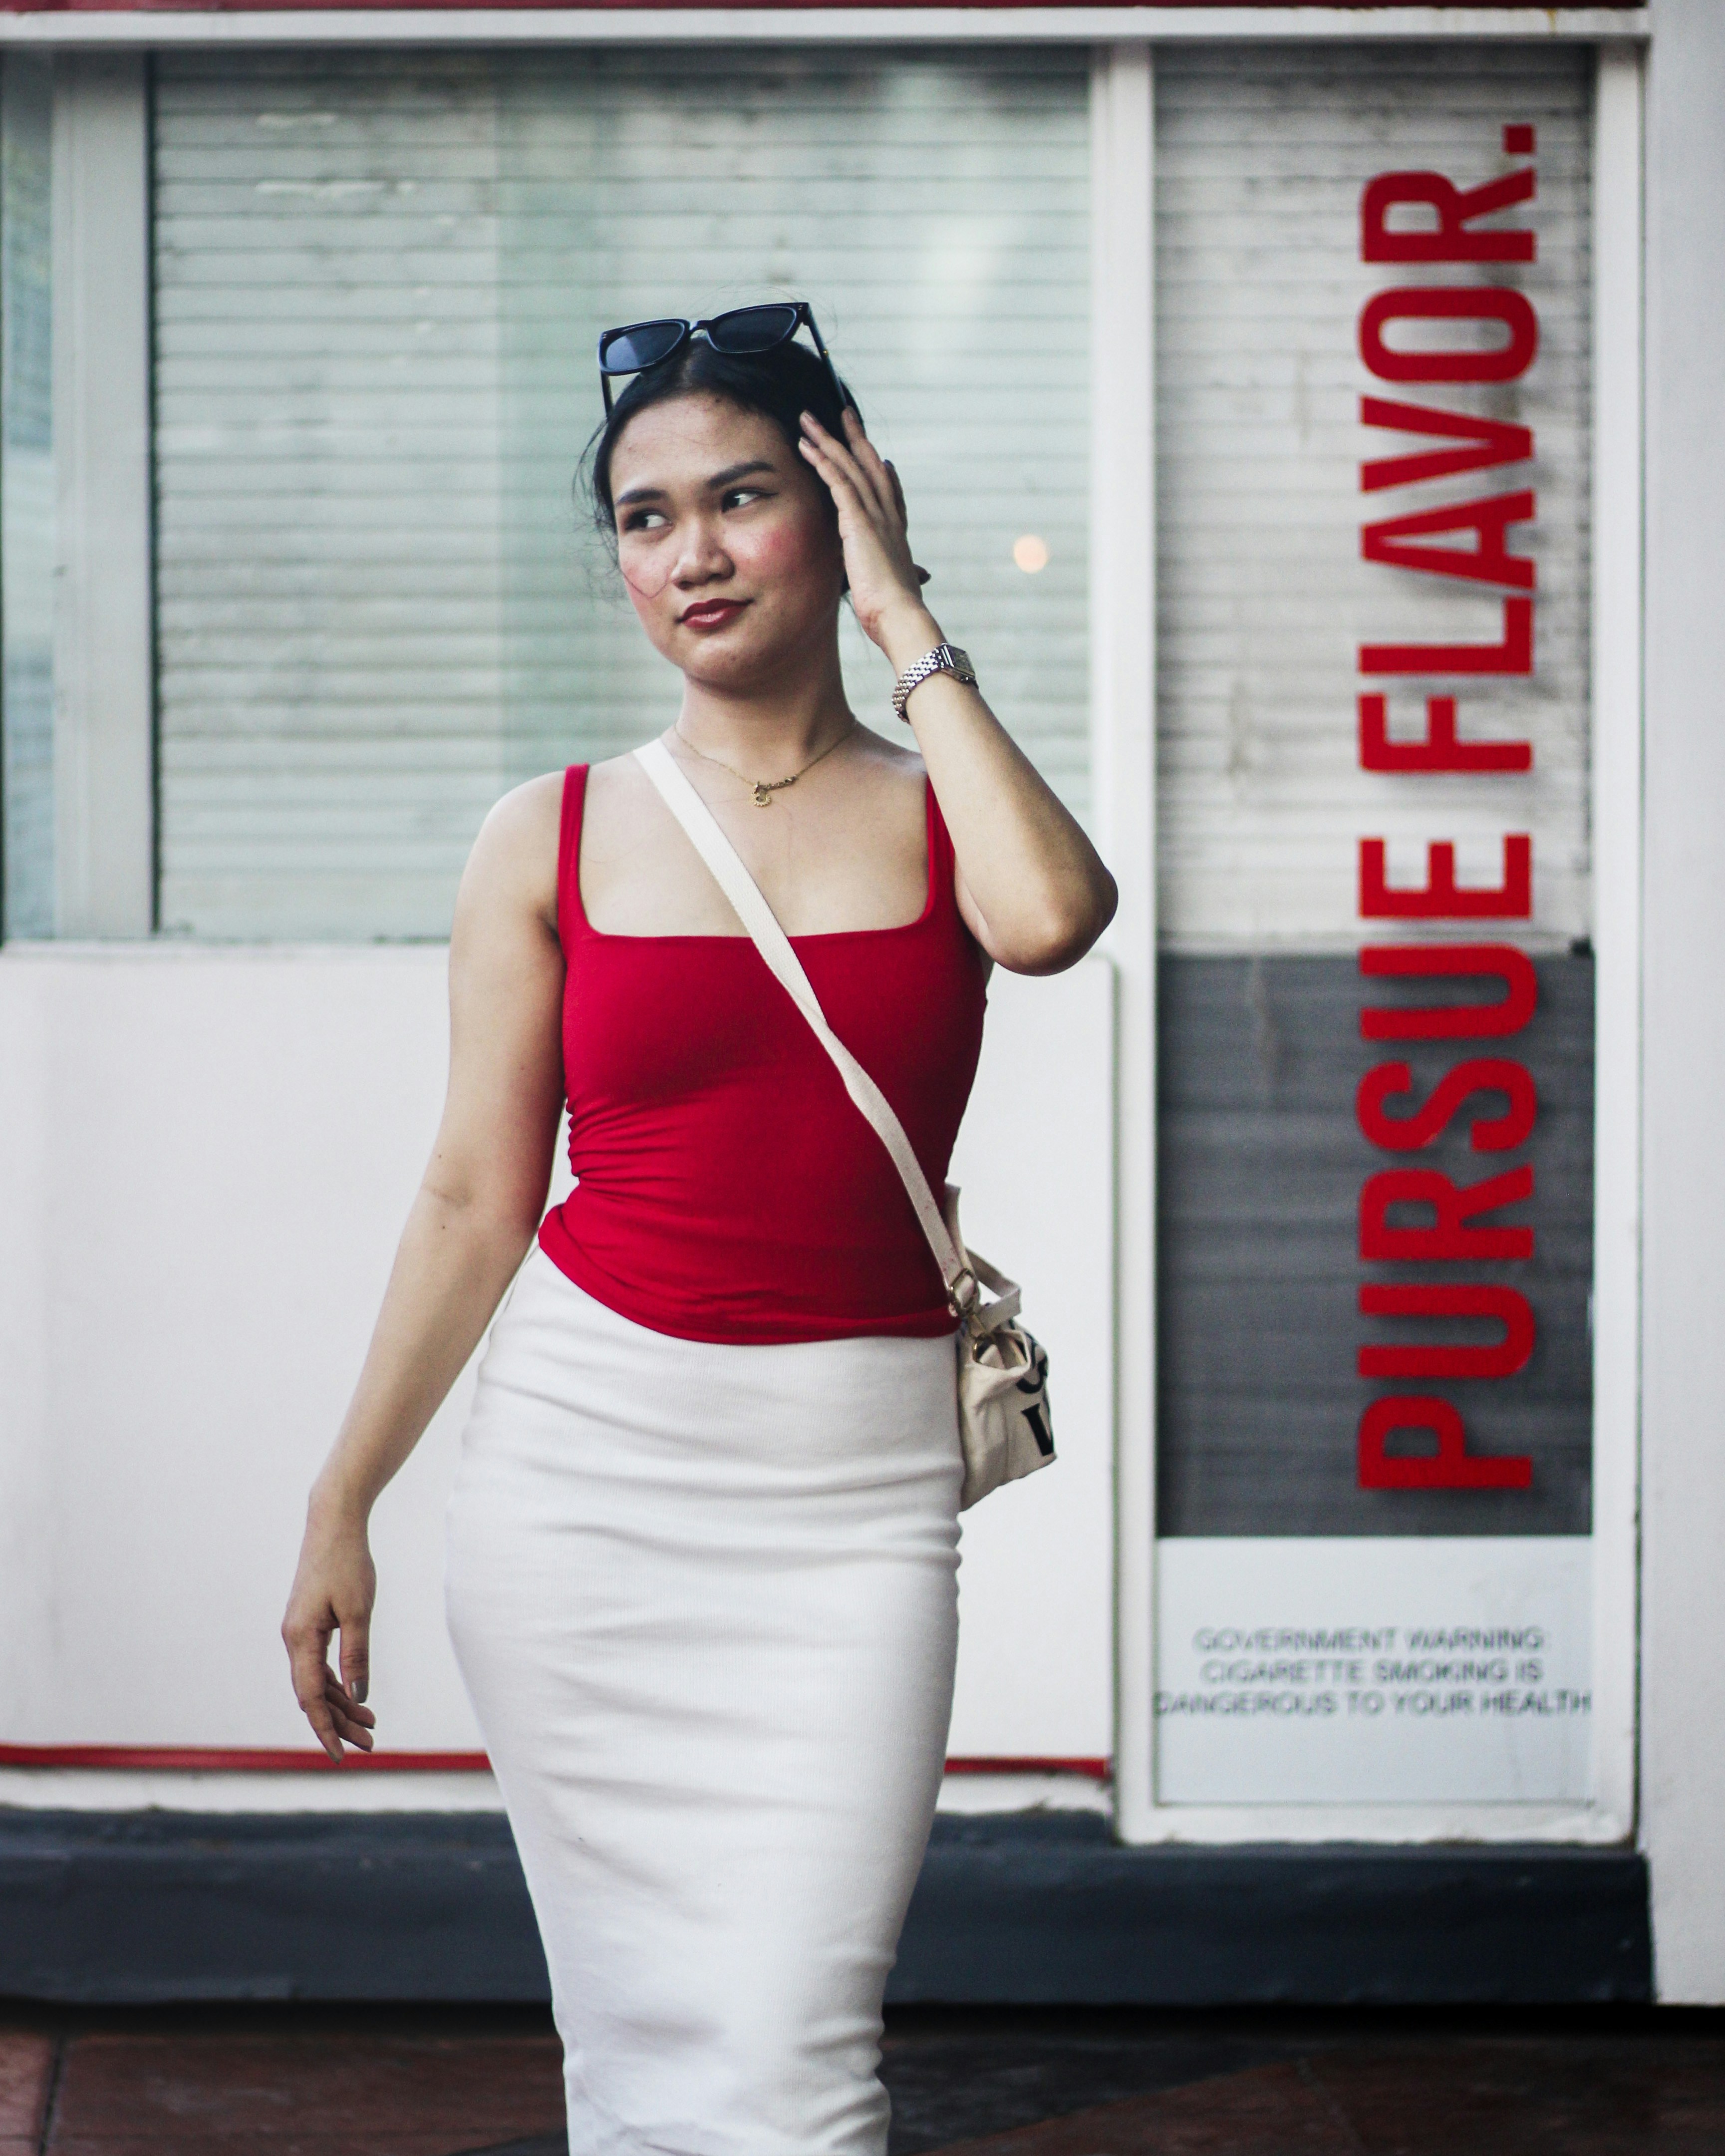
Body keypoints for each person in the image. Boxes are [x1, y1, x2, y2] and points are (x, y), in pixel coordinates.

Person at [282, 304, 1117, 2154]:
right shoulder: (548, 833)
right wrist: (346, 1501)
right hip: (582, 1480)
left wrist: (912, 627)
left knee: (801, 2057)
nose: (695, 553)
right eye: (648, 521)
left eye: (744, 498)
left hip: (852, 1509)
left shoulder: (944, 814)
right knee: (645, 2052)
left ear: (841, 504)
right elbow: (474, 1194)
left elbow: (1054, 918)